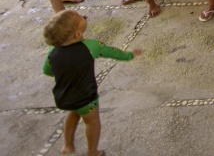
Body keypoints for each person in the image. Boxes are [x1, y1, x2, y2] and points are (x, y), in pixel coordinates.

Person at [42, 10, 141, 156]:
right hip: (86, 98)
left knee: (72, 113)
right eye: (80, 17)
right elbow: (113, 52)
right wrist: (130, 55)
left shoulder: (52, 51)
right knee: (92, 122)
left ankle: (68, 145)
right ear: (77, 34)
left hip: (64, 97)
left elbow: (47, 71)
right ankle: (92, 151)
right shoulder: (91, 46)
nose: (83, 15)